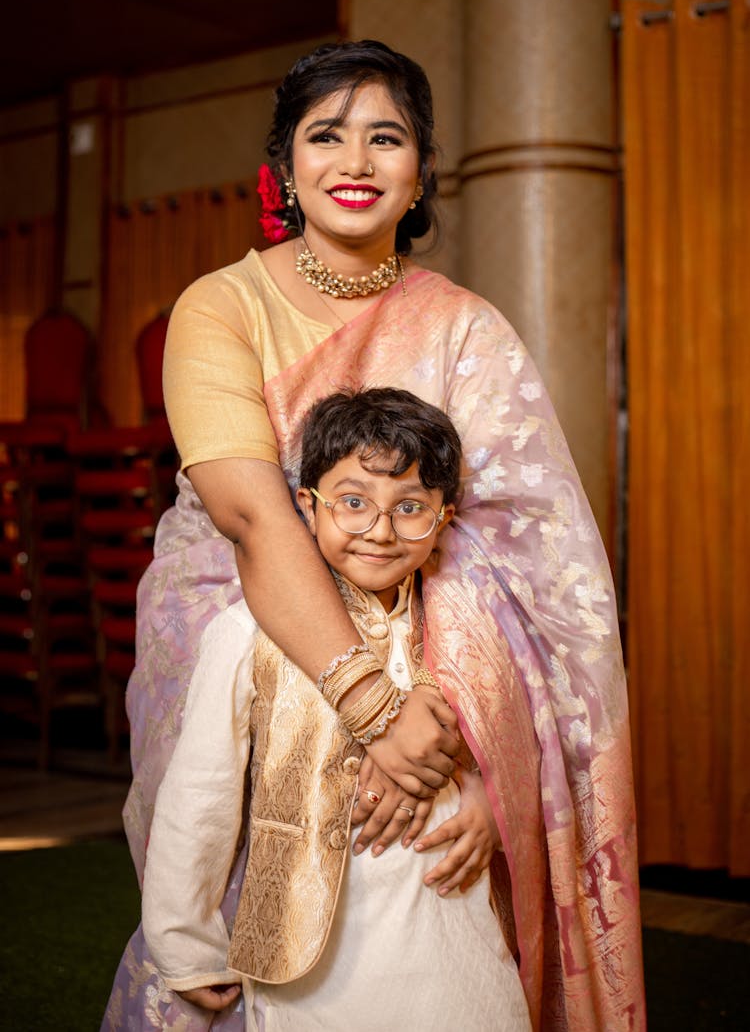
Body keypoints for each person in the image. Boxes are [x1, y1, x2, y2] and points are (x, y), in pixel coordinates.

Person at [103, 39, 645, 1031]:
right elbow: (251, 513)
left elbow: (519, 566)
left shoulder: (465, 327)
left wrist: (469, 763)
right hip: (248, 631)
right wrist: (370, 708)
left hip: (433, 669)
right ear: (284, 166)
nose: (355, 162)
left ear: (422, 171)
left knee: (428, 934)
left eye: (385, 137)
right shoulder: (221, 306)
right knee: (248, 886)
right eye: (327, 136)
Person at [140, 387, 532, 1030]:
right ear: (306, 505)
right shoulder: (248, 634)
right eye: (353, 503)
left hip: (455, 927)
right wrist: (185, 944)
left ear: (444, 517)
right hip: (317, 954)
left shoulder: (465, 628)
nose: (379, 530)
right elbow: (199, 794)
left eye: (410, 508)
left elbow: (521, 740)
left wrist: (495, 804)